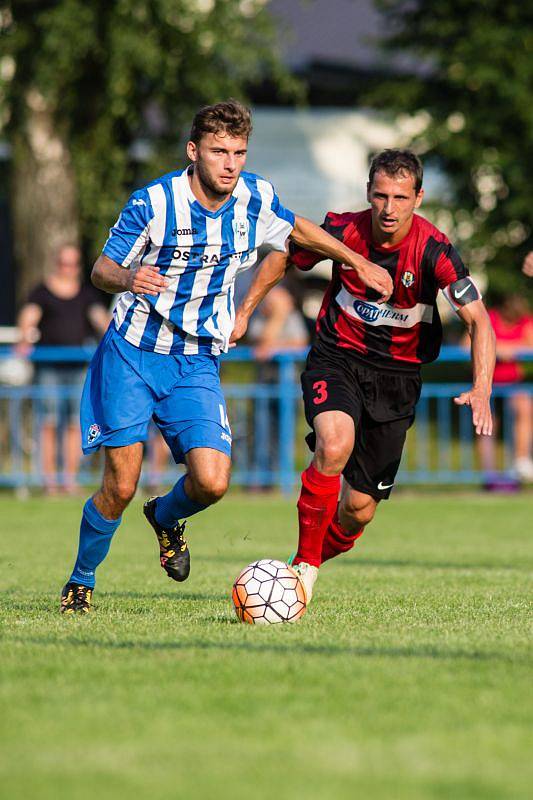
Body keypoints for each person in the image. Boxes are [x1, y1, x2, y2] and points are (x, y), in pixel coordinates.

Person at [60, 99, 394, 614]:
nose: (231, 163)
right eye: (219, 151)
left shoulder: (254, 197)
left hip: (195, 361)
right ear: (193, 151)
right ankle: (81, 581)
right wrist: (129, 277)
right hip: (133, 353)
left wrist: (348, 266)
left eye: (239, 152)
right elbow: (101, 269)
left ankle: (167, 518)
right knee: (120, 485)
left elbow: (292, 236)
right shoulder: (154, 202)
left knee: (213, 482)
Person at [231, 149, 496, 603]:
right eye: (380, 196)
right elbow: (283, 253)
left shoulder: (435, 251)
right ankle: (302, 572)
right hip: (337, 358)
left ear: (418, 197)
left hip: (398, 381)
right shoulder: (343, 230)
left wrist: (482, 389)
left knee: (357, 512)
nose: (389, 208)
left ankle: (301, 566)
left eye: (400, 197)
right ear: (367, 193)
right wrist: (245, 311)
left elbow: (479, 321)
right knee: (334, 444)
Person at [16, 245, 109, 494]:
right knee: (47, 422)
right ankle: (49, 482)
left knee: (73, 424)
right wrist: (24, 339)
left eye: (72, 264)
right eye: (63, 263)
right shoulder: (42, 291)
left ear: (78, 267)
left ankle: (70, 480)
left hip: (78, 366)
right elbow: (29, 317)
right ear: (57, 264)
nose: (67, 269)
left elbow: (101, 320)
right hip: (48, 366)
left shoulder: (86, 294)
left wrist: (114, 344)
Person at [476, 293, 533, 483]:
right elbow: (467, 343)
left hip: (512, 382)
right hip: (485, 384)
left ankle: (521, 460)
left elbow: (530, 344)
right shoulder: (488, 317)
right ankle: (489, 475)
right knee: (486, 426)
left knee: (524, 408)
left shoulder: (525, 321)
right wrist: (498, 349)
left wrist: (506, 348)